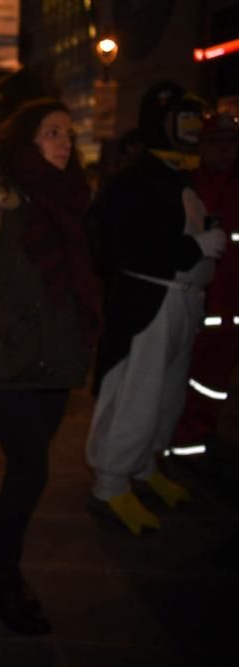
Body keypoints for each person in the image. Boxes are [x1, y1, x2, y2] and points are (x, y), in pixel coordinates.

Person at [0, 99, 101, 635]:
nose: (64, 141)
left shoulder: (71, 201)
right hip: (7, 363)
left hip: (56, 362)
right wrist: (11, 324)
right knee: (29, 471)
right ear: (25, 141)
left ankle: (3, 577)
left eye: (68, 134)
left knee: (28, 475)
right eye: (52, 132)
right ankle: (1, 583)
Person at [86, 82, 226, 536]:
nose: (190, 129)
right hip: (150, 302)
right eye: (181, 119)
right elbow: (120, 248)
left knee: (166, 397)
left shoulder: (179, 178)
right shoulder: (134, 182)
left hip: (181, 302)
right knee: (136, 393)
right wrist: (191, 248)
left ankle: (146, 466)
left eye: (193, 119)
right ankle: (111, 481)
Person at [172, 112, 239, 449]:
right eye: (215, 143)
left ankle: (197, 438)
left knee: (214, 381)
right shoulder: (187, 185)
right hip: (194, 299)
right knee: (182, 375)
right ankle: (180, 441)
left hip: (228, 307)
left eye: (231, 143)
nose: (224, 151)